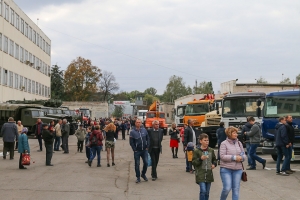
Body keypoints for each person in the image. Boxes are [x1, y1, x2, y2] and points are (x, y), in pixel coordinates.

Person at [220, 126, 246, 200]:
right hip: (226, 169)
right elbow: (222, 156)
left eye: (236, 133)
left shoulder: (239, 143)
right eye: (234, 133)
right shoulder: (224, 143)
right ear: (229, 134)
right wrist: (234, 157)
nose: (236, 134)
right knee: (227, 188)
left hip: (238, 169)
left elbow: (244, 155)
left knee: (236, 189)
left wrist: (241, 157)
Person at [192, 133, 217, 200]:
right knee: (203, 191)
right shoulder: (197, 151)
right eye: (205, 140)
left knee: (207, 192)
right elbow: (194, 162)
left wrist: (214, 164)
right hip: (200, 174)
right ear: (200, 141)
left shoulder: (211, 150)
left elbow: (215, 160)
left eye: (207, 140)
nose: (207, 142)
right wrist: (200, 159)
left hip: (209, 174)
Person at [129, 119, 150, 183]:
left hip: (144, 150)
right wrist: (134, 149)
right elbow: (131, 142)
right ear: (135, 123)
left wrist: (147, 146)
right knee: (137, 164)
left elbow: (148, 138)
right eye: (137, 122)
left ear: (141, 123)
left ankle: (143, 174)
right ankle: (138, 177)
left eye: (139, 122)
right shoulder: (132, 132)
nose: (138, 123)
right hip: (137, 151)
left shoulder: (144, 130)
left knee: (146, 163)